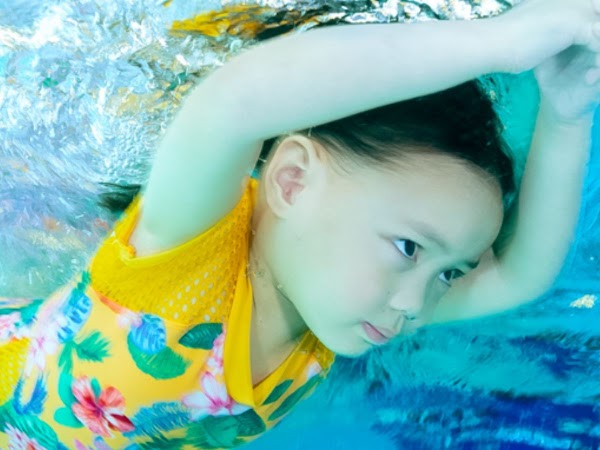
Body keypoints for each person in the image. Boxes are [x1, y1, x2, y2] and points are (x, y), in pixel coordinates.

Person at [1, 0, 599, 447]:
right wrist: (498, 42)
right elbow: (233, 103)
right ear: (292, 181)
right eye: (409, 248)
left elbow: (516, 276)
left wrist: (568, 113)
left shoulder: (332, 311)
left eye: (450, 273)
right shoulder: (187, 267)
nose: (416, 304)